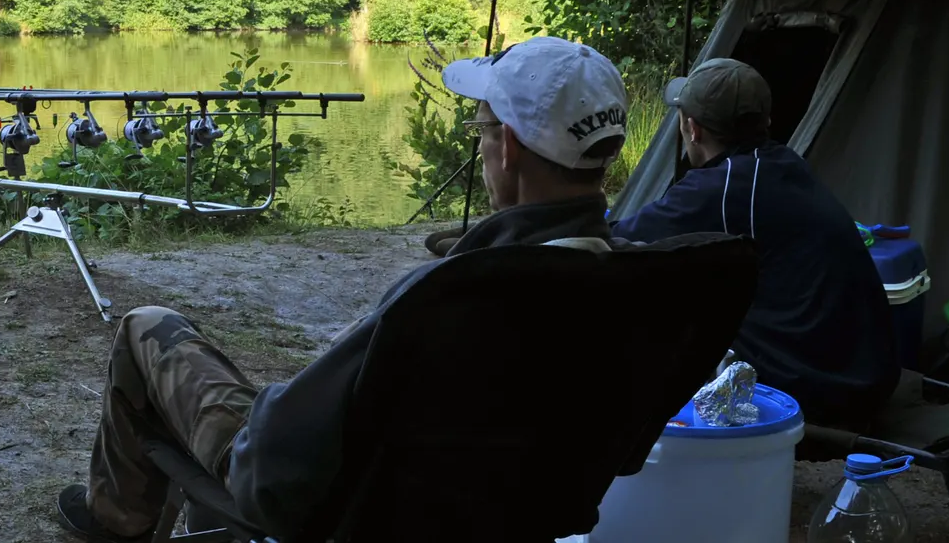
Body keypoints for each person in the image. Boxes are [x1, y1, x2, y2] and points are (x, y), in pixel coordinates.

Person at [56, 37, 630, 542]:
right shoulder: (633, 282)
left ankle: (117, 518)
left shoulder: (457, 296)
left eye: (479, 128)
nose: (479, 145)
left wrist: (266, 413)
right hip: (509, 507)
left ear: (506, 145)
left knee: (147, 325)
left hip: (322, 501)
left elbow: (286, 436)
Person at [611, 57, 899, 429]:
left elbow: (615, 242)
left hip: (821, 390)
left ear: (692, 129)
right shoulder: (782, 163)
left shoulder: (722, 186)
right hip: (867, 374)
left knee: (659, 314)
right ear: (765, 121)